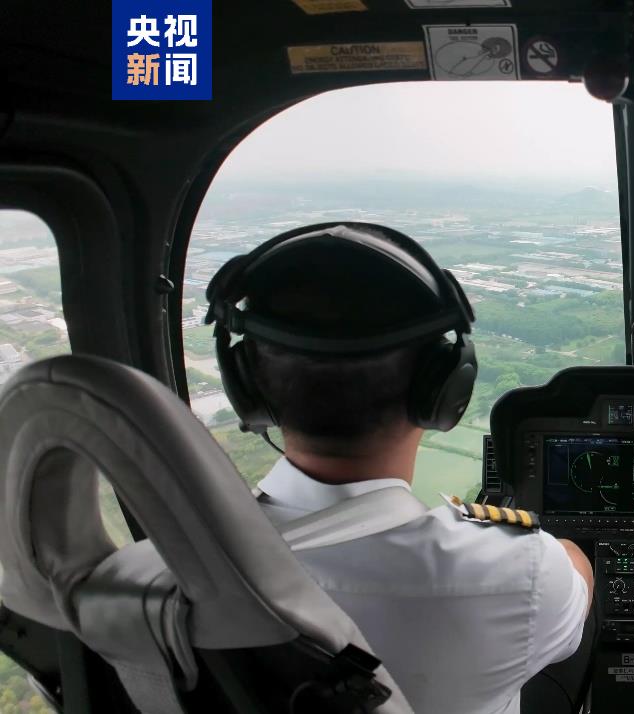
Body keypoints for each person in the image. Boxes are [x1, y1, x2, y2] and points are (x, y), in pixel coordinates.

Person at [206, 222, 593, 714]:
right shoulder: (522, 572)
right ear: (444, 391)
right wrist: (568, 552)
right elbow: (577, 591)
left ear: (245, 386)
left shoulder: (167, 574)